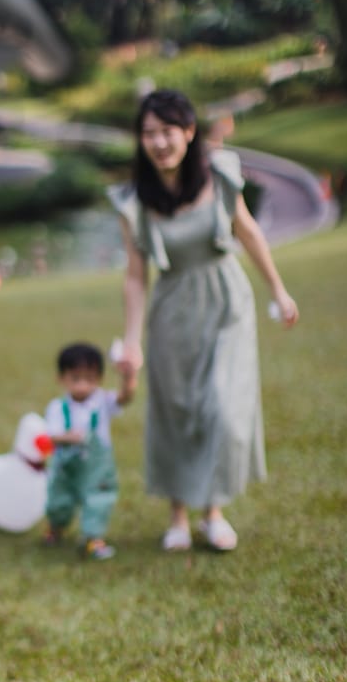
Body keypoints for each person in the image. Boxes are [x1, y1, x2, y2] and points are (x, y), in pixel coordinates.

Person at [109, 88, 299, 552]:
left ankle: (212, 512)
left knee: (222, 407)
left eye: (167, 132)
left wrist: (278, 288)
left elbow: (248, 232)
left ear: (189, 133)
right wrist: (131, 342)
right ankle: (178, 515)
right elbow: (136, 278)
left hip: (226, 303)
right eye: (149, 134)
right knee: (177, 412)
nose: (158, 143)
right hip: (172, 311)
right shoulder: (135, 201)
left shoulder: (219, 175)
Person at [43, 341, 136, 559]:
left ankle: (93, 538)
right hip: (66, 466)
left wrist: (129, 376)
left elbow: (126, 397)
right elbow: (50, 435)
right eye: (76, 379)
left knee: (98, 499)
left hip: (97, 467)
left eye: (90, 379)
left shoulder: (103, 402)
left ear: (100, 379)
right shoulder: (57, 407)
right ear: (62, 378)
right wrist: (67, 437)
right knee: (60, 499)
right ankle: (55, 527)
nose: (83, 385)